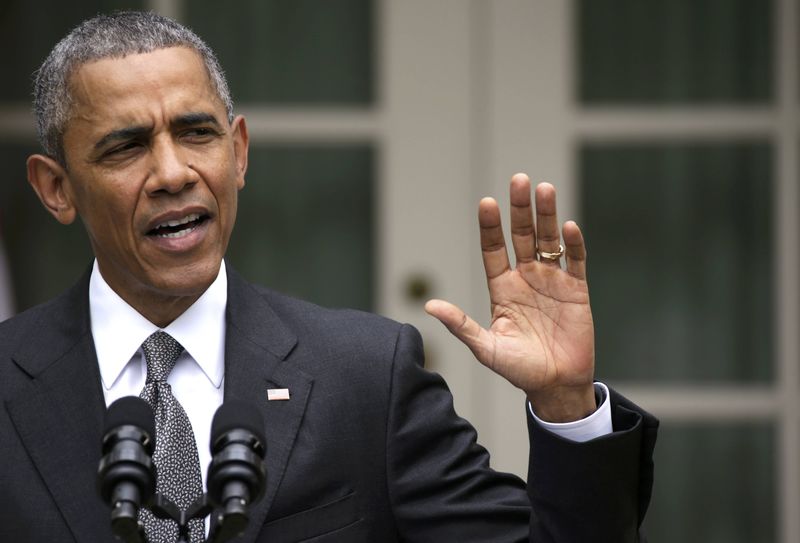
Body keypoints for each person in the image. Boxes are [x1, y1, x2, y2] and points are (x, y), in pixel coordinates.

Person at [0, 11, 657, 543]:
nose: (173, 172)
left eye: (197, 133)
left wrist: (566, 406)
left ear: (239, 152)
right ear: (56, 188)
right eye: (127, 146)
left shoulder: (366, 375)